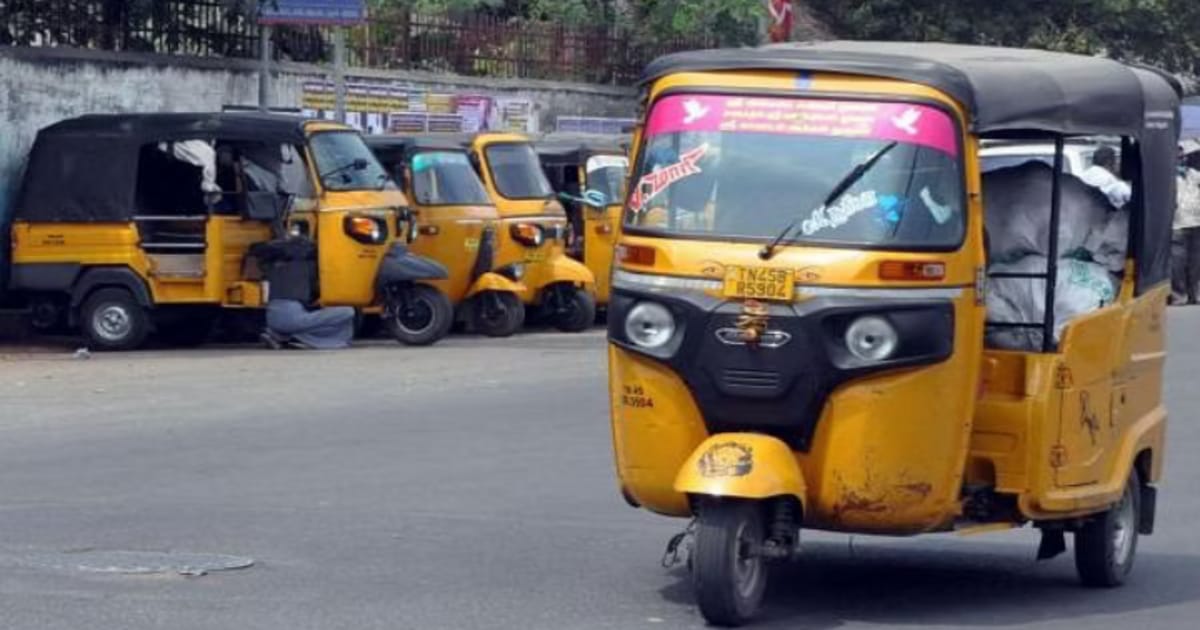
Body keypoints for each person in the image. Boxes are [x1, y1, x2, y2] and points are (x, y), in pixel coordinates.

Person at [249, 237, 355, 349]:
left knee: (339, 321)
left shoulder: (272, 268)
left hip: (272, 316)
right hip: (292, 317)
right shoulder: (306, 267)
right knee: (348, 311)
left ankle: (282, 335)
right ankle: (292, 337)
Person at [1172, 142, 1200, 304]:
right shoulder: (1166, 176)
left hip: (1196, 221)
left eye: (1182, 157)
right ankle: (1179, 294)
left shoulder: (1193, 175)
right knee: (1177, 261)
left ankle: (1194, 294)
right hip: (1177, 223)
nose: (1181, 160)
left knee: (1196, 261)